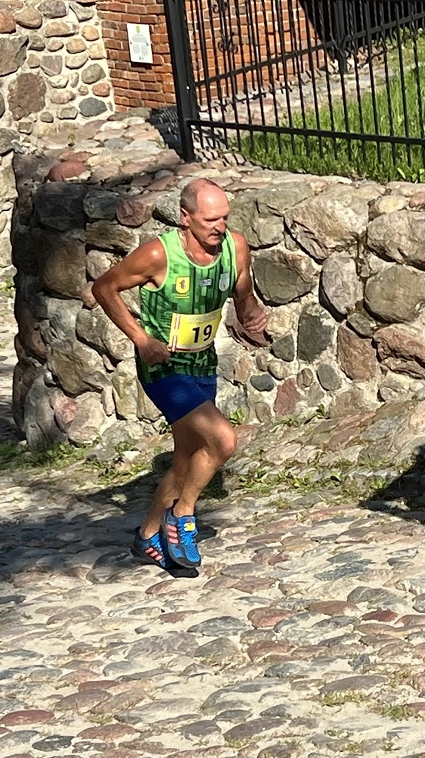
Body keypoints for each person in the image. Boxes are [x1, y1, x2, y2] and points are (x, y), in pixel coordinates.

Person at [92, 177, 269, 576]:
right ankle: (182, 514)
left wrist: (251, 315)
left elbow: (243, 294)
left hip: (202, 363)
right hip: (164, 367)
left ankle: (147, 536)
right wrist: (141, 339)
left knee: (187, 458)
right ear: (185, 217)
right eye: (209, 220)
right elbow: (104, 288)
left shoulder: (235, 247)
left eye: (224, 218)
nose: (219, 227)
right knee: (222, 440)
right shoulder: (158, 255)